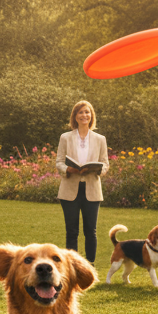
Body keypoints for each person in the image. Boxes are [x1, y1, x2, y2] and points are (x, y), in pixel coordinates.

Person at [55, 100, 109, 263]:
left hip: (92, 189)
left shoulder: (100, 139)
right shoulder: (65, 137)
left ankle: (90, 266)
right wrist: (68, 169)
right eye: (81, 112)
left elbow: (105, 163)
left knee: (90, 231)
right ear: (75, 116)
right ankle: (72, 266)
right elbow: (59, 162)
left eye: (87, 112)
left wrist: (97, 169)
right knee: (72, 231)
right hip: (69, 190)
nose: (84, 115)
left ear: (91, 116)